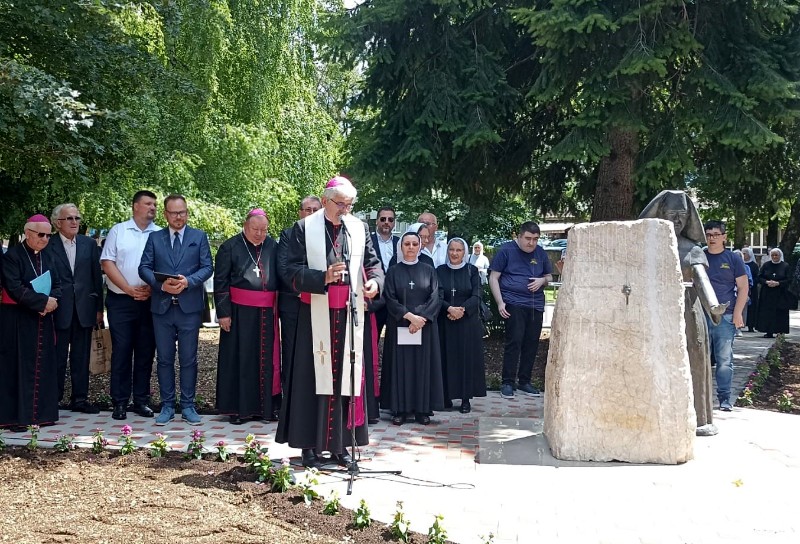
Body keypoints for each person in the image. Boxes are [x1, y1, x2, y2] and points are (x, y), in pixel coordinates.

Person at [276, 176, 384, 469]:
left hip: (349, 314)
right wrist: (321, 277)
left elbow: (373, 264)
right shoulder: (303, 229)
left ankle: (340, 446)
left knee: (345, 379)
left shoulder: (358, 229)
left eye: (350, 204)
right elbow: (288, 270)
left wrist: (374, 282)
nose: (345, 210)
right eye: (340, 204)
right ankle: (310, 448)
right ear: (325, 201)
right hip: (314, 318)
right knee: (312, 381)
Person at [639, 191, 727, 435]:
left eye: (682, 215)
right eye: (672, 214)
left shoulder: (692, 249)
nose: (677, 220)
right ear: (660, 214)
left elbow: (701, 279)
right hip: (656, 310)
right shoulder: (648, 247)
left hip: (689, 309)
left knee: (695, 357)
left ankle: (700, 418)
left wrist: (712, 306)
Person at [138, 194, 213, 425]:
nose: (178, 217)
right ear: (165, 214)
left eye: (182, 212)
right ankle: (167, 405)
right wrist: (161, 284)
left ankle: (188, 405)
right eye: (173, 213)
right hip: (162, 308)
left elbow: (208, 267)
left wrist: (187, 282)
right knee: (164, 359)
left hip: (189, 308)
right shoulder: (155, 238)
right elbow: (144, 267)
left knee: (189, 359)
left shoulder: (198, 237)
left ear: (187, 213)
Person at [214, 209, 280, 425]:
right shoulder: (229, 247)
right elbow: (221, 282)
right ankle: (238, 410)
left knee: (266, 361)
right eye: (255, 229)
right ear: (245, 226)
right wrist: (223, 313)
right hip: (238, 313)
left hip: (266, 314)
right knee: (240, 360)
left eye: (264, 230)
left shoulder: (273, 246)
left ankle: (265, 409)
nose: (260, 234)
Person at [101, 190, 161, 420]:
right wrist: (128, 288)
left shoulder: (160, 234)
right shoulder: (119, 230)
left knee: (146, 351)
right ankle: (119, 401)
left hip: (150, 301)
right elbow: (107, 263)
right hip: (121, 301)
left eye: (155, 204)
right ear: (135, 206)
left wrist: (151, 288)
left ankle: (142, 400)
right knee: (122, 350)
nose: (153, 208)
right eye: (148, 204)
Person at [0, 215, 62, 432]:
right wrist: (43, 302)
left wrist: (53, 301)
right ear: (28, 233)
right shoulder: (12, 256)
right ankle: (17, 418)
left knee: (42, 365)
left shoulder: (49, 256)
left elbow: (59, 283)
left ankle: (41, 415)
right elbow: (14, 288)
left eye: (48, 235)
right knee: (19, 366)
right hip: (18, 320)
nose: (45, 239)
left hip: (43, 320)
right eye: (41, 234)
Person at [381, 231, 444, 425]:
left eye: (414, 244)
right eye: (406, 244)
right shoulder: (393, 271)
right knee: (400, 367)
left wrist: (421, 318)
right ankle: (399, 409)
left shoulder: (429, 270)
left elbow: (436, 296)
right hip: (400, 323)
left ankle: (422, 409)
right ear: (401, 247)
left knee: (422, 367)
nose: (410, 247)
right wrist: (409, 316)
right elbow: (389, 297)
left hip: (423, 327)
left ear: (419, 247)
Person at [46, 203, 104, 414]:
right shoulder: (49, 244)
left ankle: (79, 399)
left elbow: (96, 279)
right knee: (57, 357)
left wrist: (99, 309)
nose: (74, 222)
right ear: (57, 223)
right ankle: (54, 398)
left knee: (81, 357)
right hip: (58, 309)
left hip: (84, 309)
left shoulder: (89, 244)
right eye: (69, 218)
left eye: (77, 218)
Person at [489, 222, 552, 399]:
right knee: (514, 341)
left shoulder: (540, 253)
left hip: (535, 304)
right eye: (528, 238)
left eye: (535, 239)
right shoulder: (506, 250)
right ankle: (507, 382)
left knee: (531, 343)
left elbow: (548, 276)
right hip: (513, 302)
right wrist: (500, 303)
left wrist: (542, 281)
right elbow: (494, 278)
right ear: (519, 236)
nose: (531, 243)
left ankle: (525, 381)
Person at [277, 196, 322, 396]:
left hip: (322, 302)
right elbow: (285, 269)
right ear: (300, 212)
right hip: (293, 303)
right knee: (292, 351)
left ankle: (315, 395)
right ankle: (291, 397)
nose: (311, 214)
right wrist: (306, 289)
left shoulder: (326, 235)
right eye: (307, 210)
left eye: (315, 210)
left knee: (319, 351)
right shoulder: (288, 234)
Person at [437, 238, 486, 413]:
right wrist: (449, 308)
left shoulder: (471, 270)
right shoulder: (439, 271)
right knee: (445, 358)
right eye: (452, 250)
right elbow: (436, 295)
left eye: (459, 250)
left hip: (467, 322)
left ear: (464, 252)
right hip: (445, 320)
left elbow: (477, 294)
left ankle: (465, 398)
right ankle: (446, 396)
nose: (455, 253)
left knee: (466, 359)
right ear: (447, 251)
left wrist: (462, 310)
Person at [704, 220, 748, 412]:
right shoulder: (699, 257)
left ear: (724, 237)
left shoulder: (733, 259)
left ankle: (724, 399)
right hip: (701, 314)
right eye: (708, 234)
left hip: (725, 316)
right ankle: (699, 396)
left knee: (724, 359)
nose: (712, 238)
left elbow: (743, 287)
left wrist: (738, 313)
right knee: (699, 358)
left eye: (715, 234)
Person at [756, 247, 791, 339]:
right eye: (772, 255)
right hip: (767, 293)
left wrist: (778, 283)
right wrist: (767, 282)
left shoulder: (785, 266)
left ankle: (780, 331)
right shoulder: (766, 265)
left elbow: (788, 279)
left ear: (780, 255)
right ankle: (769, 331)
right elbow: (759, 277)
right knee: (768, 313)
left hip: (780, 293)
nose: (774, 257)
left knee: (780, 312)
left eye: (776, 255)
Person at [733, 249, 753, 337]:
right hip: (730, 291)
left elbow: (750, 280)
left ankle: (739, 328)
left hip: (741, 291)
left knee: (741, 310)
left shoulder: (746, 267)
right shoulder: (728, 266)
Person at [742, 247, 760, 332]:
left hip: (751, 290)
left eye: (745, 253)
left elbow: (757, 277)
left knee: (752, 308)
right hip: (741, 289)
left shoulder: (754, 265)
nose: (743, 255)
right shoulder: (739, 264)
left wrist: (750, 284)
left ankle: (751, 326)